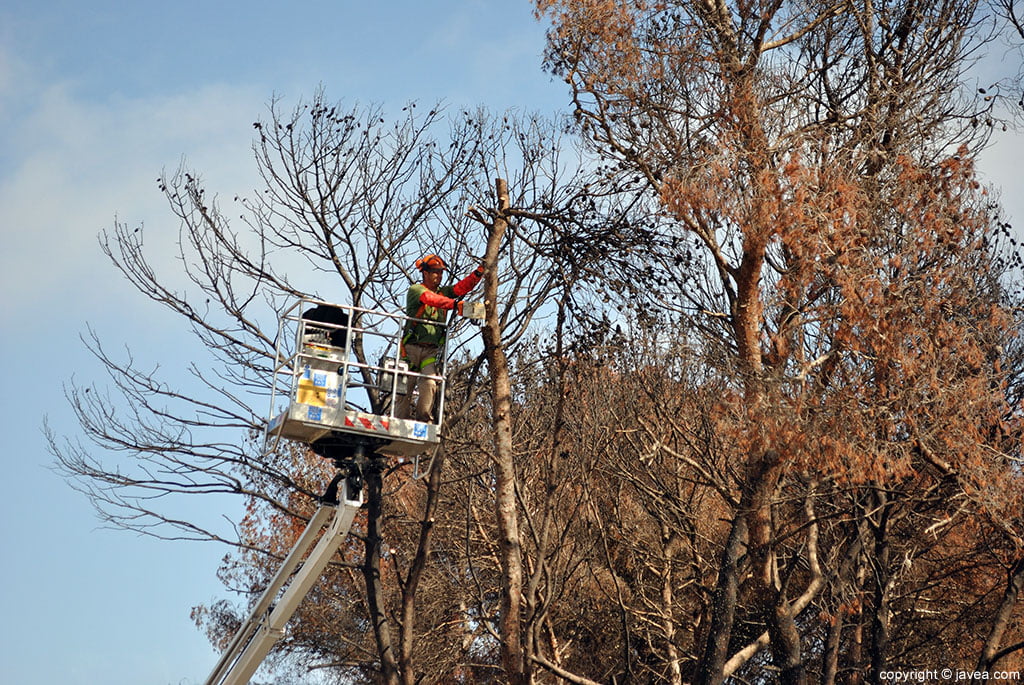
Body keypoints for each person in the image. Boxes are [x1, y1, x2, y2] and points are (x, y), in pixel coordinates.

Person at [397, 254, 484, 422]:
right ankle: (399, 421)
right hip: (411, 349)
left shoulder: (443, 292)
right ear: (425, 273)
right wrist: (454, 305)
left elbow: (461, 288)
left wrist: (478, 273)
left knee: (430, 384)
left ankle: (423, 420)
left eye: (441, 273)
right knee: (405, 388)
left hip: (431, 351)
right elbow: (431, 299)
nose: (439, 276)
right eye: (435, 272)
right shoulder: (416, 290)